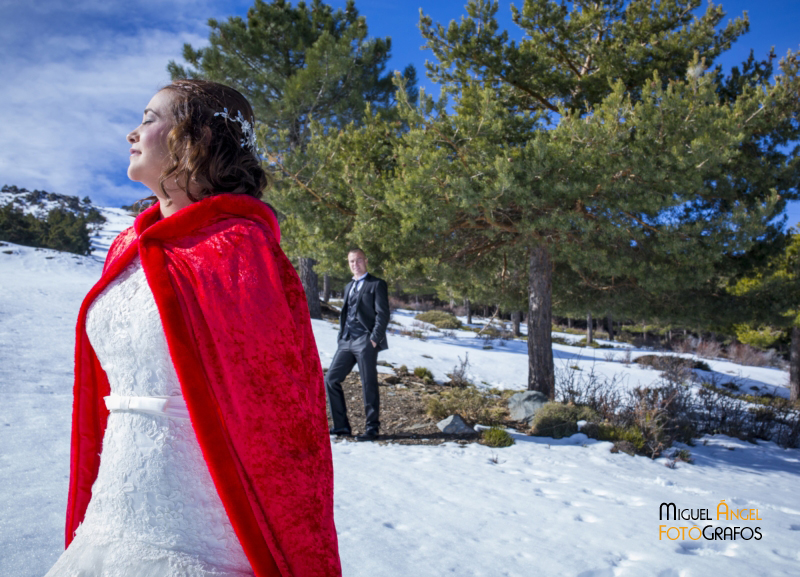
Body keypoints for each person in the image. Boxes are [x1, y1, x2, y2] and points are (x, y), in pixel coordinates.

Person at [45, 79, 342, 577]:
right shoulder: (127, 249)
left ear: (195, 138)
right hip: (114, 501)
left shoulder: (241, 248)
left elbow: (281, 411)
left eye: (149, 118)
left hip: (197, 530)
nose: (132, 133)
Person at [324, 249, 389, 441]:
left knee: (368, 383)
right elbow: (347, 313)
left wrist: (374, 339)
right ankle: (342, 426)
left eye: (359, 260)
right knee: (331, 379)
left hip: (365, 340)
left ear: (366, 261)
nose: (355, 264)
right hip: (346, 341)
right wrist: (341, 337)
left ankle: (372, 429)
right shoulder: (347, 287)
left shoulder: (376, 284)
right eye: (352, 261)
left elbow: (382, 314)